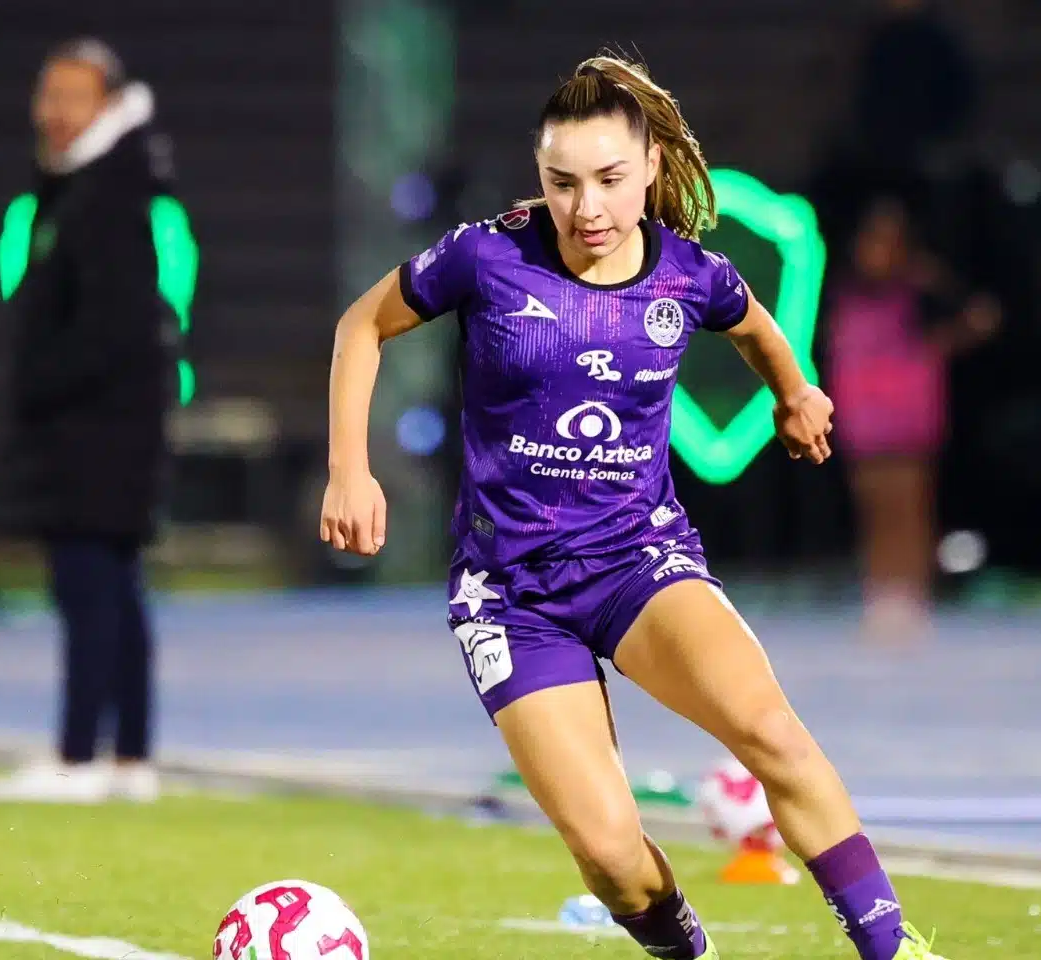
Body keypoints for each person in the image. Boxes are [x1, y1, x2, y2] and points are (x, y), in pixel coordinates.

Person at [321, 54, 952, 960]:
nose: (587, 209)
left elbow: (754, 325)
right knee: (615, 860)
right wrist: (351, 468)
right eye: (563, 182)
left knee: (773, 733)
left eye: (611, 181)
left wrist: (794, 391)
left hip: (638, 562)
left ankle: (898, 953)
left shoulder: (689, 274)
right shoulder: (486, 255)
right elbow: (359, 326)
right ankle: (689, 952)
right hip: (513, 595)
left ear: (652, 166)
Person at [0, 38, 178, 805]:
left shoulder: (111, 190)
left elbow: (115, 326)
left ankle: (79, 755)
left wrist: (42, 384)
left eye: (73, 96)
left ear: (109, 105)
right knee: (113, 591)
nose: (54, 112)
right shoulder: (82, 184)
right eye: (48, 94)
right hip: (100, 424)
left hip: (100, 429)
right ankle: (127, 758)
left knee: (91, 588)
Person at [827, 196, 998, 642]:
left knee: (910, 508)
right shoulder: (844, 293)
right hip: (864, 414)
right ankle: (881, 595)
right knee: (875, 510)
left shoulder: (917, 293)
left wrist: (932, 276)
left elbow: (972, 319)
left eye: (890, 243)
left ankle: (912, 597)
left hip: (907, 413)